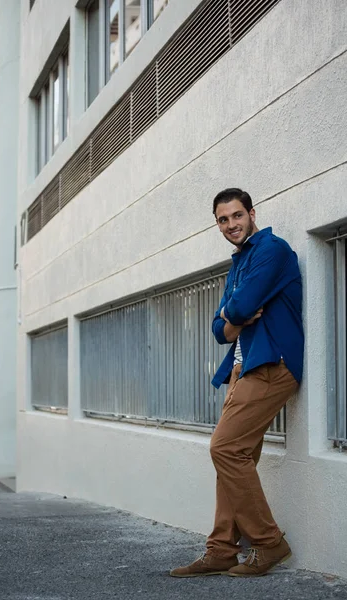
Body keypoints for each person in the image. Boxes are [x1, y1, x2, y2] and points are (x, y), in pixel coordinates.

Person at [170, 188, 304, 578]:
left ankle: (268, 542)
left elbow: (240, 309)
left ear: (252, 213)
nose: (231, 225)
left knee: (225, 449)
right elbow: (219, 330)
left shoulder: (271, 250)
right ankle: (221, 549)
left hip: (271, 364)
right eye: (223, 220)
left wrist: (235, 314)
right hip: (242, 370)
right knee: (233, 458)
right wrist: (234, 317)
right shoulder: (239, 263)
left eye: (236, 216)